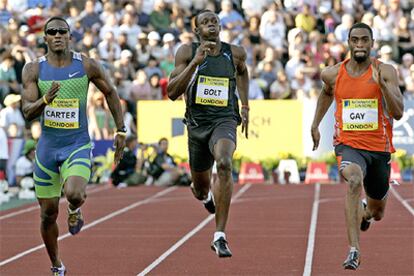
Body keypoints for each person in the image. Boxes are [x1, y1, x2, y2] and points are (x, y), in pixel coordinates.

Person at [21, 17, 126, 275]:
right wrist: (45, 100)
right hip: (47, 148)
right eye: (52, 32)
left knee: (75, 193)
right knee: (47, 214)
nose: (57, 35)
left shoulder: (87, 65)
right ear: (45, 37)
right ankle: (56, 264)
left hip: (76, 144)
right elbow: (27, 111)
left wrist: (121, 129)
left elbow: (110, 92)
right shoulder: (33, 69)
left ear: (70, 36)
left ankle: (74, 209)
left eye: (62, 31)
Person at [311, 23, 404, 270]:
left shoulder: (385, 71)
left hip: (379, 149)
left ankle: (365, 213)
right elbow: (326, 93)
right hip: (348, 145)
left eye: (365, 40)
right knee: (353, 180)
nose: (360, 44)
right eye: (355, 40)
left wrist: (382, 86)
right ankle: (354, 249)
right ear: (349, 43)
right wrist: (315, 124)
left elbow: (398, 113)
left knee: (377, 212)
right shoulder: (332, 73)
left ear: (372, 43)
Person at [167, 10, 249, 258]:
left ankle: (219, 236)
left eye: (214, 21)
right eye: (205, 22)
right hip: (196, 125)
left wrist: (245, 105)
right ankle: (205, 198)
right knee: (201, 188)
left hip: (224, 120)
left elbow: (243, 72)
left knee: (224, 162)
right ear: (197, 30)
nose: (211, 24)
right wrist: (194, 63)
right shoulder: (186, 52)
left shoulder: (234, 53)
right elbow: (171, 92)